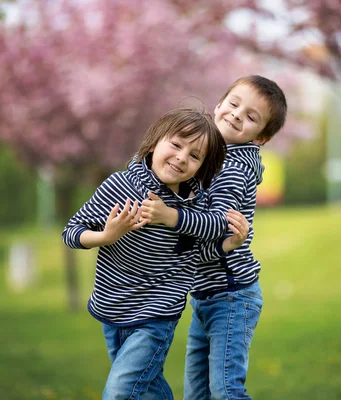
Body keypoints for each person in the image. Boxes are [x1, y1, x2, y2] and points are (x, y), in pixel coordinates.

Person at [62, 107, 251, 400]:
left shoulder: (193, 208)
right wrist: (106, 236)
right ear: (154, 143)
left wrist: (229, 245)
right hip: (114, 309)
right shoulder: (120, 186)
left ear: (201, 168)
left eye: (194, 156)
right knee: (148, 390)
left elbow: (195, 254)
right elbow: (72, 232)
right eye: (176, 145)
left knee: (119, 393)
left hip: (156, 316)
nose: (181, 157)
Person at [140, 75, 287, 399]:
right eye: (234, 104)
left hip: (231, 294)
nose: (236, 115)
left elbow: (218, 223)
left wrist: (171, 216)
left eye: (251, 117)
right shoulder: (205, 155)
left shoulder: (234, 168)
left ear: (260, 138)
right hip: (206, 295)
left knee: (225, 390)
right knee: (197, 393)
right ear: (219, 105)